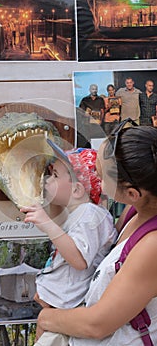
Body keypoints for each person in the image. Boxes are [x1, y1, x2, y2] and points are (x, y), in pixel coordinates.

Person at [36, 119, 157, 345]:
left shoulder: (152, 246)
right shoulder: (134, 212)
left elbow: (97, 324)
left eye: (100, 177)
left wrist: (46, 318)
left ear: (132, 194)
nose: (97, 184)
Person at [20, 143, 117, 346]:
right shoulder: (78, 215)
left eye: (54, 175)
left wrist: (46, 224)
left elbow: (79, 259)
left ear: (77, 189)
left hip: (68, 308)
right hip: (60, 306)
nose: (47, 179)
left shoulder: (91, 216)